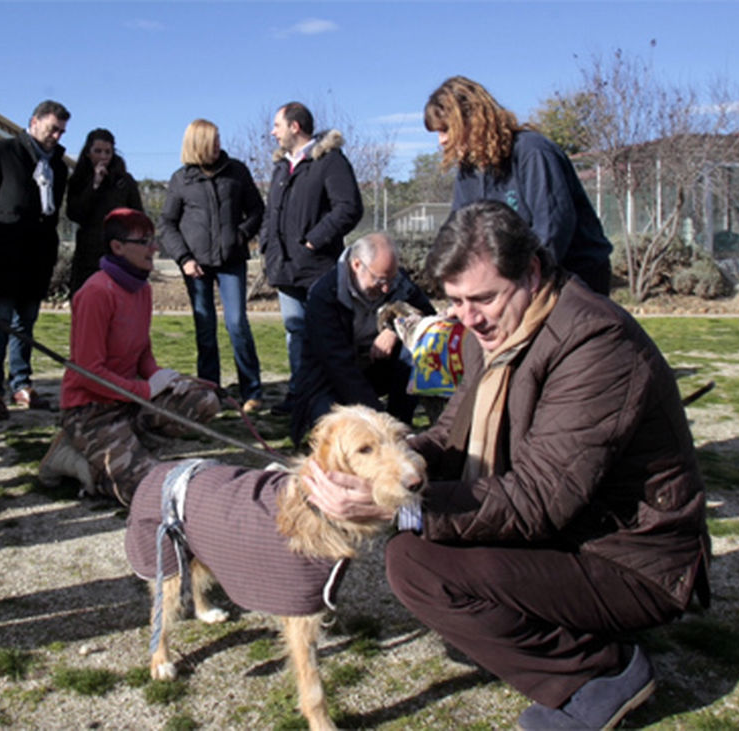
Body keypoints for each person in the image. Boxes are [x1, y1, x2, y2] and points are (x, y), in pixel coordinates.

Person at [306, 200, 710, 730]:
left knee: (415, 563)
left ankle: (600, 673)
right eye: (455, 301)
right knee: (418, 550)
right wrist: (381, 471)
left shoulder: (595, 343)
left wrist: (396, 507)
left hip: (633, 563)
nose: (468, 317)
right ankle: (581, 641)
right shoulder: (491, 334)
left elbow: (541, 498)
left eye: (484, 297)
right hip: (572, 533)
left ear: (533, 271)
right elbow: (451, 436)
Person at [38, 208, 220, 506]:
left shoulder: (142, 289)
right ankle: (76, 462)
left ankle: (126, 453)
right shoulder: (96, 293)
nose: (155, 247)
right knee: (149, 491)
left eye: (154, 239)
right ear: (117, 247)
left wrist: (165, 379)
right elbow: (88, 371)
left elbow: (142, 352)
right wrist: (148, 390)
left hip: (127, 400)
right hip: (90, 410)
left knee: (205, 399)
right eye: (145, 241)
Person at [424, 76, 613, 296]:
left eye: (446, 129)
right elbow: (460, 233)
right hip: (515, 284)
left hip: (571, 279)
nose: (442, 141)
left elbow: (552, 230)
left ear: (472, 119)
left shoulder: (533, 153)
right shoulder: (468, 173)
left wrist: (518, 286)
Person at [0, 100, 70, 421]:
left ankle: (21, 383)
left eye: (61, 131)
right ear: (33, 121)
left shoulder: (59, 166)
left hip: (37, 257)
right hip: (3, 253)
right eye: (52, 128)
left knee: (25, 324)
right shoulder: (0, 153)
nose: (56, 136)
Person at [259, 101, 363, 412]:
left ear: (295, 126)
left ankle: (336, 399)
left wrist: (313, 242)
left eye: (277, 125)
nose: (272, 132)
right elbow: (271, 214)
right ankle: (300, 396)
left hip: (318, 267)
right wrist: (267, 244)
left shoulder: (330, 162)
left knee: (327, 335)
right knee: (296, 333)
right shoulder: (281, 167)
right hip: (285, 268)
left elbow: (349, 208)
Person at [160, 119, 266, 413]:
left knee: (237, 324)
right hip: (196, 267)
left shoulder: (237, 172)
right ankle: (210, 391)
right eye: (212, 139)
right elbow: (167, 223)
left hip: (232, 262)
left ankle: (252, 390)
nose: (218, 144)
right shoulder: (181, 180)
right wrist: (184, 259)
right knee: (204, 328)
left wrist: (242, 234)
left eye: (219, 138)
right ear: (198, 143)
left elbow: (257, 210)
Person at [288, 232, 434, 443]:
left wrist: (394, 327)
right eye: (380, 280)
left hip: (378, 369)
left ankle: (401, 428)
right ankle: (386, 429)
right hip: (330, 379)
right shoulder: (324, 294)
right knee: (334, 432)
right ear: (357, 265)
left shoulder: (397, 281)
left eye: (391, 281)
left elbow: (428, 319)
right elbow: (338, 366)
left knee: (413, 350)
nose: (386, 288)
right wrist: (379, 416)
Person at [66, 128, 142, 297]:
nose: (103, 157)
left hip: (118, 256)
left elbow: (138, 217)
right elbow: (74, 213)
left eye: (107, 152)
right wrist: (94, 185)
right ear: (88, 153)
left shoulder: (125, 182)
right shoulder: (78, 180)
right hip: (88, 257)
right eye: (98, 151)